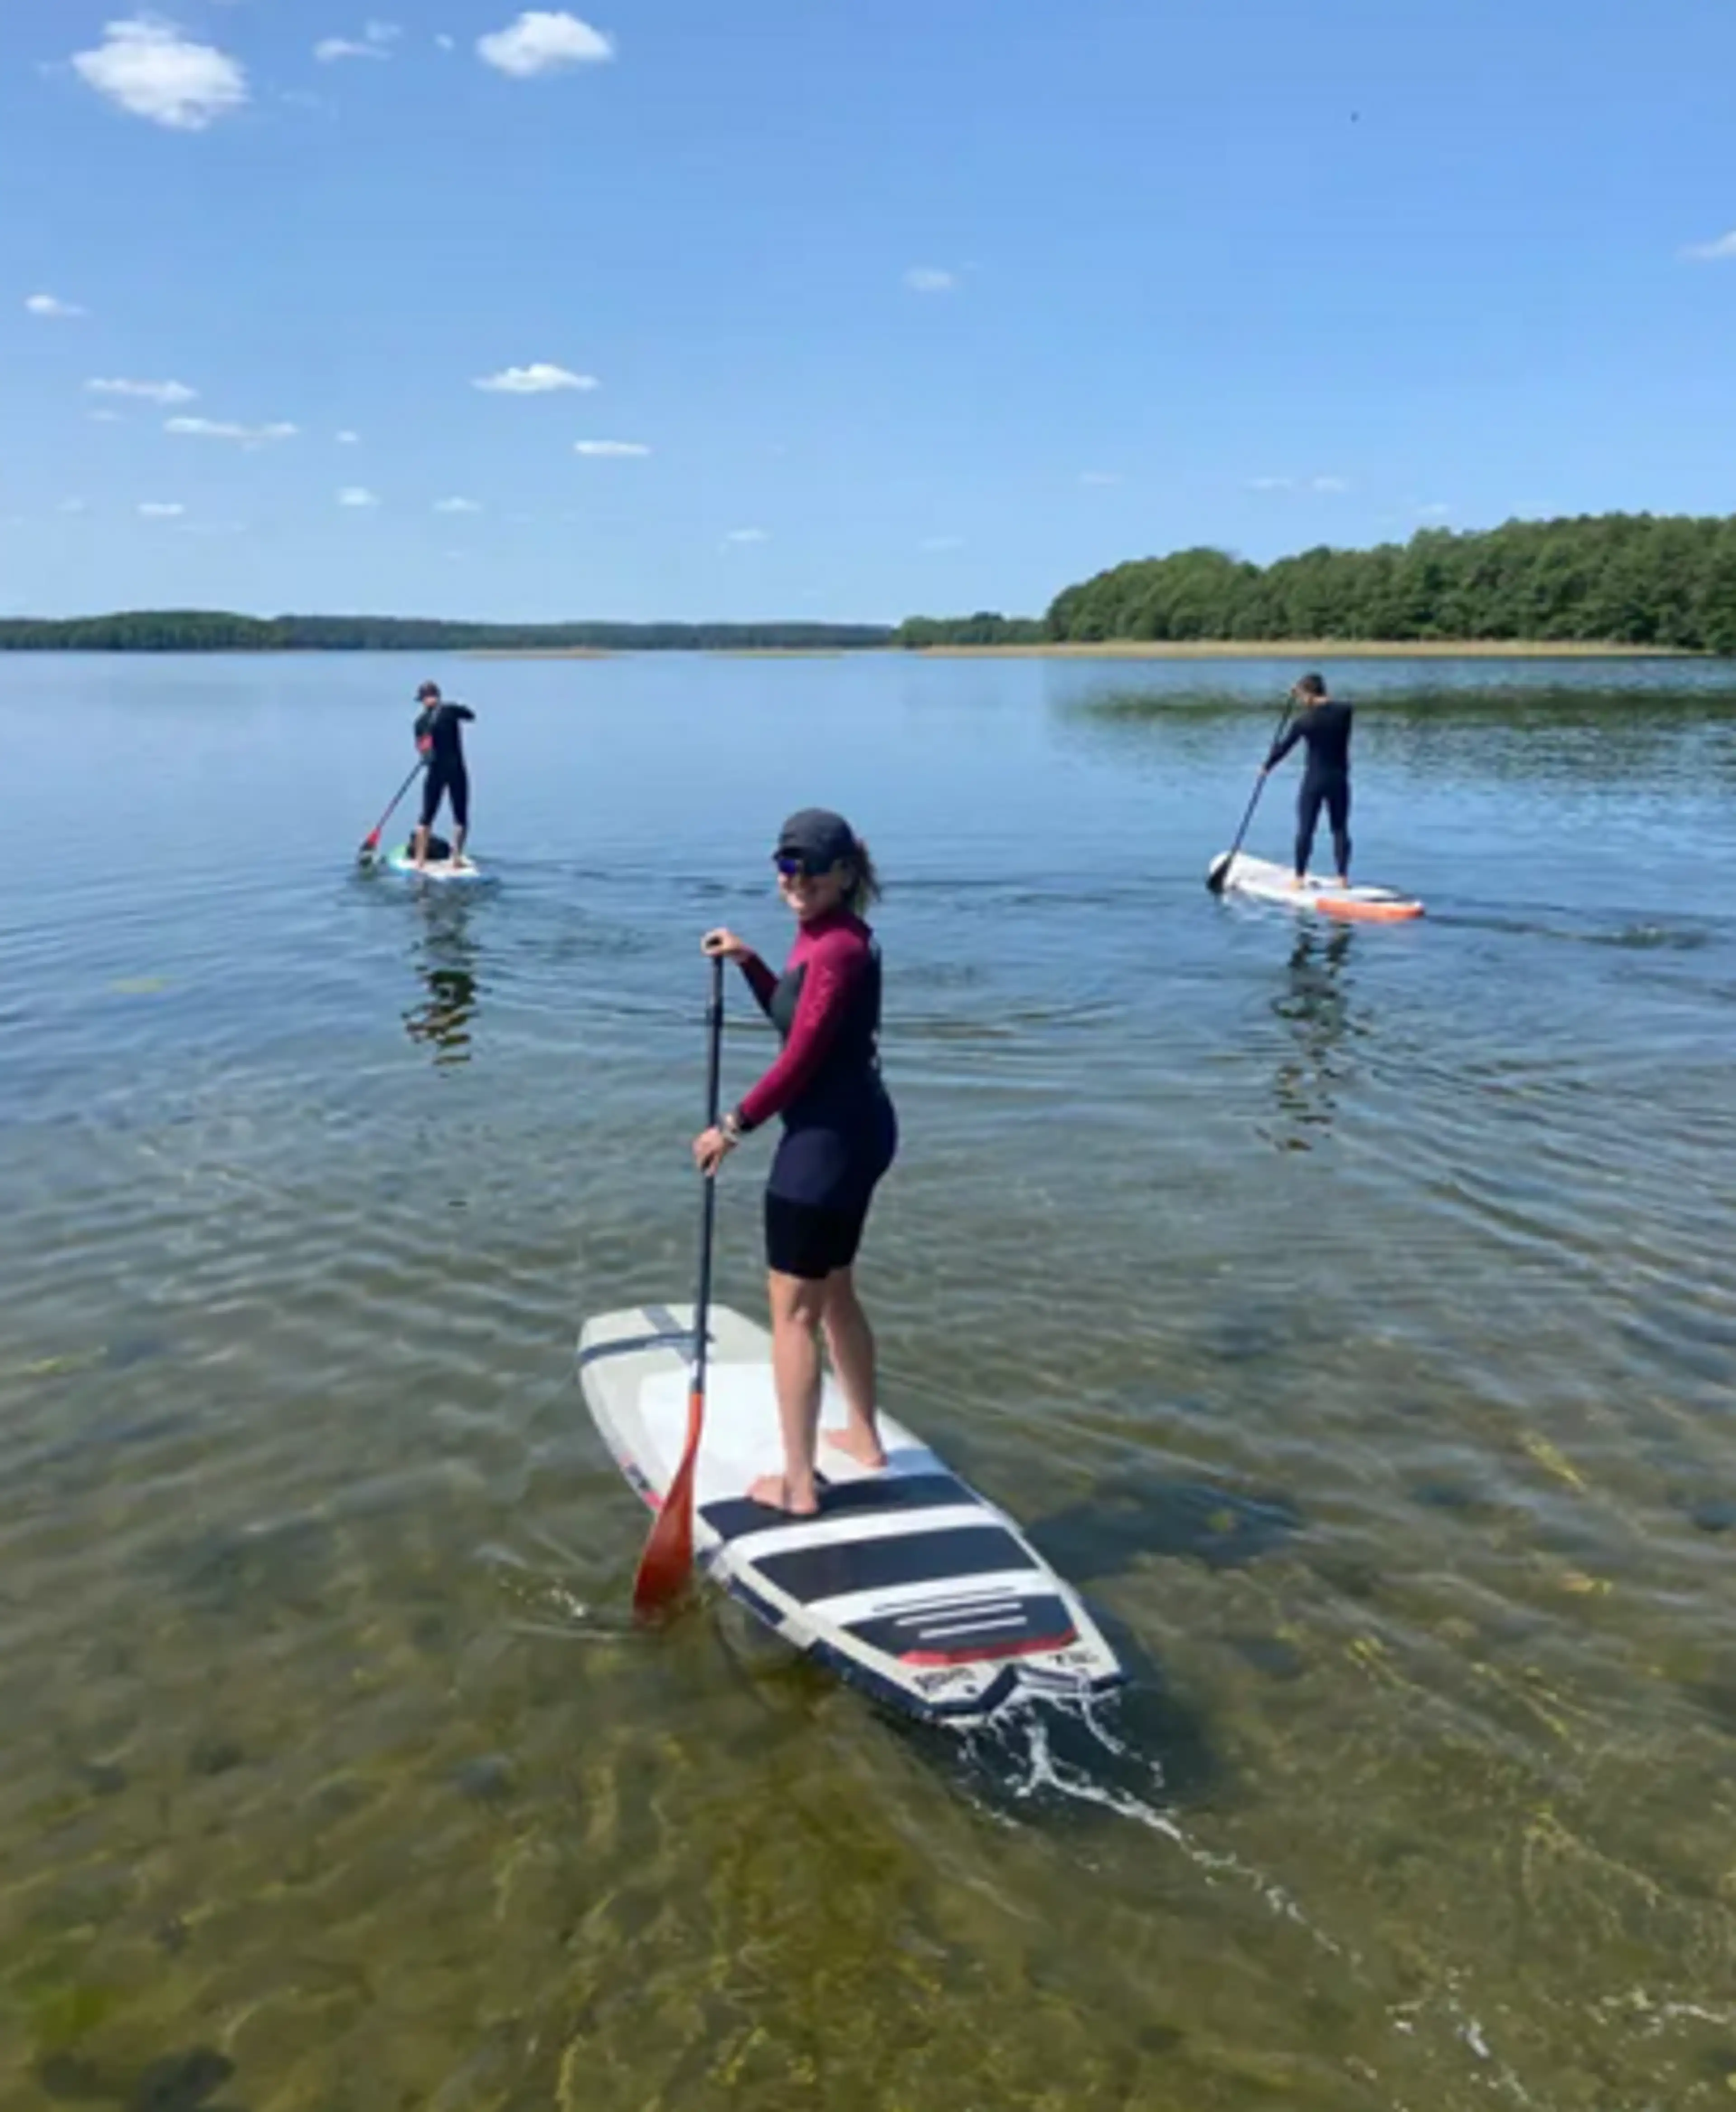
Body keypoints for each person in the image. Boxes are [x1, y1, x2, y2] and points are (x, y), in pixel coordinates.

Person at [693, 808, 898, 1516]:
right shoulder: (827, 938)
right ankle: (864, 1440)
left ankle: (800, 1485)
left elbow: (803, 1055)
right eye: (786, 867)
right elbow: (795, 1014)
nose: (797, 880)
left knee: (793, 1315)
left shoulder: (837, 949)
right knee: (835, 1289)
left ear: (845, 873)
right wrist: (750, 961)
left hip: (826, 1146)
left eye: (812, 868)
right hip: (855, 1132)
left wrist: (734, 1124)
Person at [1262, 672, 1353, 886]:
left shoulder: (1305, 722)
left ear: (1309, 695)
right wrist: (1305, 693)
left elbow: (1284, 748)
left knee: (1306, 829)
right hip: (1339, 779)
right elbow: (1333, 705)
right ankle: (1342, 878)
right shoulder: (1346, 712)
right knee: (1340, 828)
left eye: (1303, 698)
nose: (1302, 702)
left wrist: (1267, 766)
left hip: (1314, 780)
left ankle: (1299, 878)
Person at [410, 680, 475, 871]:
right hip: (456, 770)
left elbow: (423, 752)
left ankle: (420, 862)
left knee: (426, 816)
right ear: (438, 695)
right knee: (460, 816)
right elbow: (471, 716)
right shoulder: (450, 710)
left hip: (435, 772)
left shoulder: (420, 723)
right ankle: (456, 860)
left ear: (423, 700)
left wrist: (427, 754)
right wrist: (455, 708)